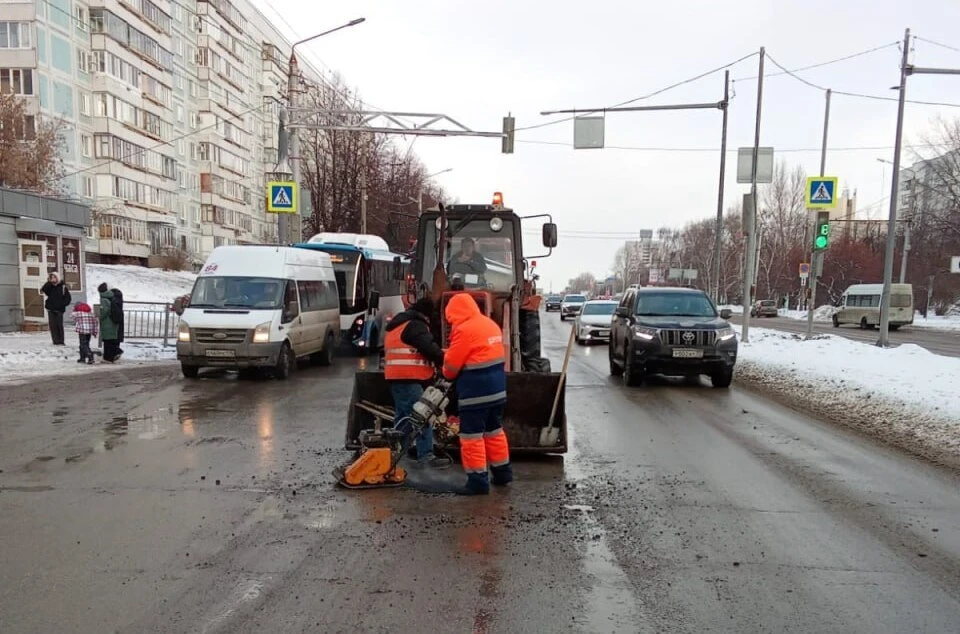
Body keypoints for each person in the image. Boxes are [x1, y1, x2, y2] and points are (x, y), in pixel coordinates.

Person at [442, 293, 513, 495]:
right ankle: (502, 474)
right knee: (494, 432)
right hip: (497, 391)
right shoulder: (489, 324)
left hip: (475, 393)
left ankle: (478, 481)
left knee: (471, 437)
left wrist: (446, 359)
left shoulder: (464, 330)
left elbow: (450, 368)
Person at [383, 297, 451, 469]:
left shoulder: (399, 325)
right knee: (422, 416)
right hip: (409, 378)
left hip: (397, 378)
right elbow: (429, 348)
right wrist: (448, 360)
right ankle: (425, 456)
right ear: (427, 315)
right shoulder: (415, 325)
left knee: (404, 419)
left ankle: (399, 454)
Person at [40, 271, 71, 346]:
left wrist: (62, 304)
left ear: (58, 278)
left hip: (59, 309)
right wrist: (49, 282)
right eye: (51, 277)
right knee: (52, 325)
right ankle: (55, 340)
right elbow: (43, 290)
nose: (53, 279)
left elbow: (68, 298)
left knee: (59, 325)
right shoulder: (50, 286)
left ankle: (61, 340)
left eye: (54, 277)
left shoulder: (63, 287)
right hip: (51, 308)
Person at [97, 282, 121, 362]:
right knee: (110, 340)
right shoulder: (111, 296)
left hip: (107, 323)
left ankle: (112, 354)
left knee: (107, 341)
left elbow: (104, 311)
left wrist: (100, 317)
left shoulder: (103, 299)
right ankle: (109, 357)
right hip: (112, 322)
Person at [111, 285, 125, 357]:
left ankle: (116, 351)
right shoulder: (119, 302)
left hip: (114, 323)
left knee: (113, 339)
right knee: (117, 339)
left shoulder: (114, 302)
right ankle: (116, 351)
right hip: (119, 321)